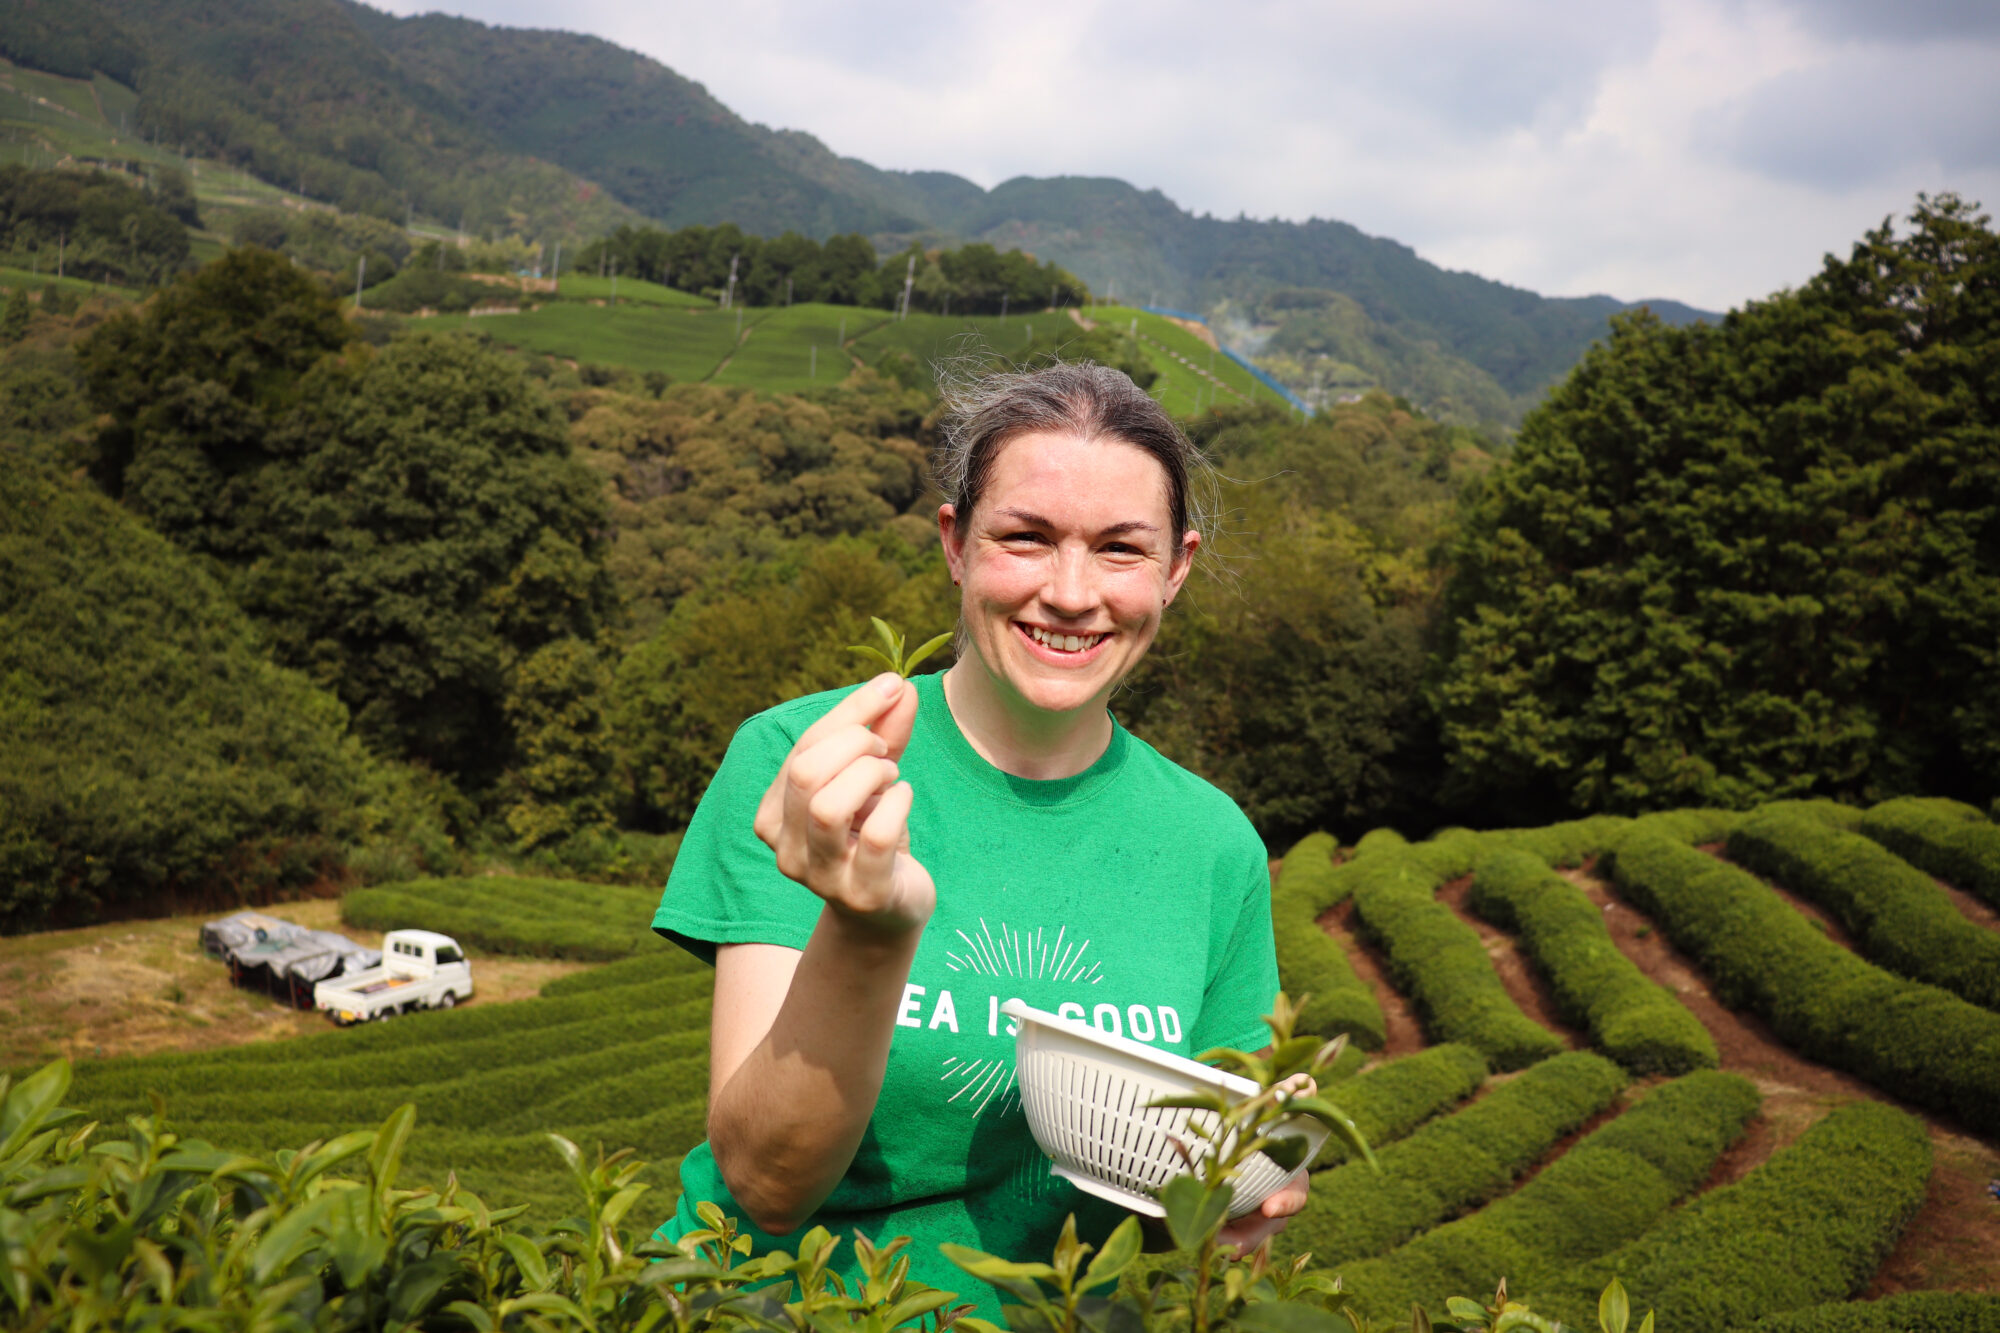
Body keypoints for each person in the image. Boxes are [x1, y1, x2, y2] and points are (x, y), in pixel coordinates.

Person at [650, 361, 1305, 1319]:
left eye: (1121, 550)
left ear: (1176, 569)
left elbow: (1185, 1188)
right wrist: (872, 929)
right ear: (956, 543)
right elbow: (764, 1180)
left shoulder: (1214, 844)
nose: (1071, 593)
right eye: (1026, 538)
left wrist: (1247, 1190)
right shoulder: (816, 767)